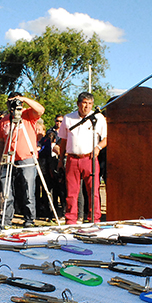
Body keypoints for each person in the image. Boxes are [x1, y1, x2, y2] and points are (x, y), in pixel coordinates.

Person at [0, 93, 44, 228]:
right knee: (6, 192)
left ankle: (30, 220)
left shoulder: (28, 115)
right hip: (9, 158)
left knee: (28, 189)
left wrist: (23, 100)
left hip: (27, 158)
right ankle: (5, 221)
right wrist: (1, 158)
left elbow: (40, 110)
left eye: (17, 102)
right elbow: (1, 141)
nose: (15, 106)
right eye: (12, 102)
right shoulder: (4, 120)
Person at [58, 92, 107, 224]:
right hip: (72, 159)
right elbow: (63, 140)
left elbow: (106, 139)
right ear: (78, 104)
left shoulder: (98, 118)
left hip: (89, 159)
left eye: (90, 103)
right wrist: (60, 160)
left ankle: (94, 219)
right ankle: (71, 220)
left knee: (93, 192)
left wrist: (98, 148)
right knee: (71, 193)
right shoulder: (68, 118)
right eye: (84, 103)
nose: (87, 106)